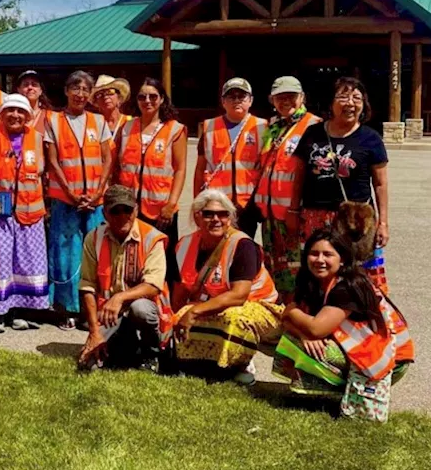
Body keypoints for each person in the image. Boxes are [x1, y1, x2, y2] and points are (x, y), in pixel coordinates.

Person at [275, 230, 413, 418]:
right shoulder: (313, 281)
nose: (319, 260)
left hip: (390, 361)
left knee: (295, 343)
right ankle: (331, 388)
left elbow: (316, 328)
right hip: (370, 353)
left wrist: (291, 311)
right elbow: (291, 323)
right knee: (293, 337)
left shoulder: (348, 286)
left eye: (328, 254)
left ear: (342, 260)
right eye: (314, 253)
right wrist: (302, 333)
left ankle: (336, 390)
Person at [290, 76, 391, 295]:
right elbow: (298, 175)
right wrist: (293, 209)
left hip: (355, 220)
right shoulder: (312, 133)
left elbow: (381, 184)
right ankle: (318, 315)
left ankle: (363, 319)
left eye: (357, 98)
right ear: (330, 103)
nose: (351, 103)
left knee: (358, 271)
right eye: (343, 96)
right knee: (318, 268)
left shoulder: (371, 139)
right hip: (314, 215)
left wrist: (383, 222)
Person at [170, 190, 282, 386]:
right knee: (181, 315)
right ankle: (198, 364)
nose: (216, 219)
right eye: (209, 214)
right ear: (197, 217)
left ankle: (242, 363)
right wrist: (175, 317)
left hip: (258, 306)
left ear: (230, 219)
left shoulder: (242, 244)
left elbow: (238, 296)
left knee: (233, 318)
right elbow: (179, 293)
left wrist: (194, 312)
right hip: (212, 304)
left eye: (223, 214)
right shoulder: (184, 244)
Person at [0, 94, 51, 333]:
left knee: (27, 262)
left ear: (28, 116)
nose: (15, 116)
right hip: (0, 208)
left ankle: (21, 311)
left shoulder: (38, 138)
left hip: (30, 209)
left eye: (20, 112)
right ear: (2, 114)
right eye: (10, 111)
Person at [44, 71, 114, 328]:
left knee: (95, 254)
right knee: (66, 254)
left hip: (94, 202)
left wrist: (97, 193)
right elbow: (52, 161)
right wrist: (72, 194)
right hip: (66, 201)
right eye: (75, 88)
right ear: (66, 91)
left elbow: (107, 160)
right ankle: (67, 308)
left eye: (85, 89)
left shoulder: (99, 121)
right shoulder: (54, 121)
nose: (80, 94)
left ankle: (92, 310)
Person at [77, 185, 173, 372]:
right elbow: (87, 286)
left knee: (140, 309)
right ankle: (123, 344)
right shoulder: (94, 238)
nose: (122, 216)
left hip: (146, 310)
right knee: (89, 366)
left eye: (127, 210)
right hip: (111, 314)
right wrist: (94, 332)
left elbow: (153, 286)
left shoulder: (152, 238)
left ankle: (151, 354)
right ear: (105, 213)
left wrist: (119, 297)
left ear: (136, 210)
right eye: (115, 210)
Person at [253, 76, 322, 303]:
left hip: (293, 214)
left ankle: (298, 311)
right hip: (270, 215)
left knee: (296, 267)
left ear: (302, 97)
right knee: (274, 264)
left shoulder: (314, 127)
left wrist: (296, 209)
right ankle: (280, 311)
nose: (286, 102)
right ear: (272, 100)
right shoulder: (272, 127)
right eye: (280, 97)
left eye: (291, 96)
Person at [113, 78, 188, 257]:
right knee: (132, 256)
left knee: (162, 258)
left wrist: (171, 204)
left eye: (153, 96)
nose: (147, 101)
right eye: (142, 97)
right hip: (129, 207)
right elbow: (115, 166)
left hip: (161, 210)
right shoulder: (126, 127)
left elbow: (180, 169)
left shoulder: (174, 129)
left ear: (162, 99)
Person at [193, 77, 267, 239]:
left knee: (243, 247)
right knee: (217, 248)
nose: (236, 101)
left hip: (248, 204)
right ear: (223, 101)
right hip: (217, 203)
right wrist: (196, 203)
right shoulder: (209, 127)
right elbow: (199, 168)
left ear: (251, 100)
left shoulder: (263, 127)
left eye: (242, 97)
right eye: (231, 97)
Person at [15, 69, 53, 134]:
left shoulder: (50, 117)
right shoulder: (14, 116)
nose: (30, 87)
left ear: (41, 91)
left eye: (34, 84)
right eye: (26, 85)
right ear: (19, 90)